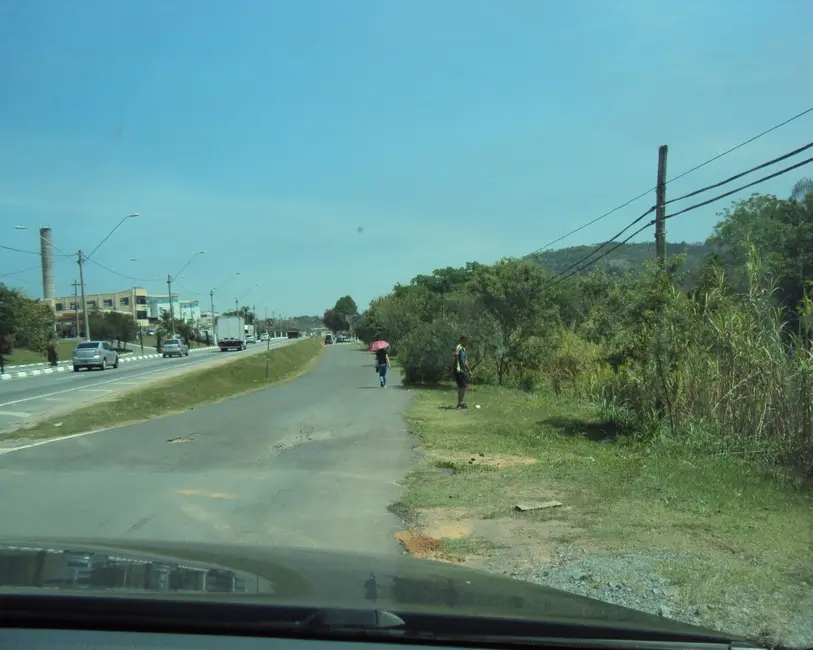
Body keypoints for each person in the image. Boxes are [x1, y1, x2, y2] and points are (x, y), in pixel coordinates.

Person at [453, 335, 470, 409]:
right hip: (459, 370)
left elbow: (465, 361)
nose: (466, 342)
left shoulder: (464, 349)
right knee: (462, 386)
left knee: (463, 386)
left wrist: (469, 370)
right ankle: (460, 403)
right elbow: (455, 355)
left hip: (463, 370)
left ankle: (461, 402)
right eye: (465, 341)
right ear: (462, 340)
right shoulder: (459, 346)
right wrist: (455, 365)